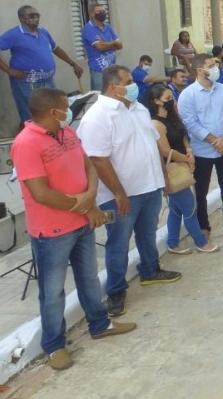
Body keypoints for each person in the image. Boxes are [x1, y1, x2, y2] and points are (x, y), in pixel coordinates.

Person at [10, 87, 135, 371]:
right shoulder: (26, 143)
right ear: (53, 111)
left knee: (88, 278)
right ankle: (54, 346)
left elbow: (87, 165)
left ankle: (99, 324)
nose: (69, 112)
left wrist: (90, 195)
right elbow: (41, 193)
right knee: (53, 292)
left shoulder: (66, 132)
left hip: (81, 223)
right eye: (66, 107)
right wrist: (85, 206)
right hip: (52, 232)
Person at [78, 65, 181, 319]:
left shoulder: (138, 109)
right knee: (118, 243)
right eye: (128, 82)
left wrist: (163, 176)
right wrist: (119, 194)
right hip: (120, 196)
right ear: (113, 88)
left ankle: (150, 270)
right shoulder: (97, 117)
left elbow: (152, 144)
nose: (134, 85)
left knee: (148, 233)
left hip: (149, 186)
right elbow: (97, 160)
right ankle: (116, 291)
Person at [178, 53, 223, 237]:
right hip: (203, 151)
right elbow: (191, 124)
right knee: (201, 190)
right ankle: (204, 226)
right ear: (200, 70)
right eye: (211, 66)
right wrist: (215, 142)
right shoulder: (188, 95)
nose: (216, 69)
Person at [147, 84, 220, 254]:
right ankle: (201, 242)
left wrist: (189, 152)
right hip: (172, 170)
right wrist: (187, 159)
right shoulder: (156, 124)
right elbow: (166, 151)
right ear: (157, 101)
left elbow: (183, 138)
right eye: (167, 98)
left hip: (182, 165)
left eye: (172, 97)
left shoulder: (173, 118)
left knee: (176, 210)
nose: (172, 101)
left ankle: (173, 243)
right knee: (189, 208)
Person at [0, 5, 84, 122]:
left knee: (52, 115)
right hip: (27, 84)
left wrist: (73, 64)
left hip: (48, 82)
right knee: (32, 118)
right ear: (21, 18)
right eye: (31, 16)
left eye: (37, 15)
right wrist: (8, 70)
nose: (35, 18)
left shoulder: (43, 32)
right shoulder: (14, 34)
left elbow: (55, 48)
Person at [82, 4, 122, 91]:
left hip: (111, 68)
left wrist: (105, 43)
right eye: (99, 11)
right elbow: (100, 47)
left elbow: (120, 46)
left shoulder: (108, 27)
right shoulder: (88, 28)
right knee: (100, 94)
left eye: (104, 11)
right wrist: (113, 43)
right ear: (92, 14)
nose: (103, 13)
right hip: (98, 69)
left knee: (112, 93)